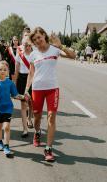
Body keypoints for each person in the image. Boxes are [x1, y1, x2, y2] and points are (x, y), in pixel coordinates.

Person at [25, 27, 75, 162]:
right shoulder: (34, 54)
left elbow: (73, 56)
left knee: (51, 117)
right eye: (35, 40)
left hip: (52, 88)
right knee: (37, 117)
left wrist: (61, 46)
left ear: (44, 36)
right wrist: (26, 89)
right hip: (37, 89)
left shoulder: (55, 49)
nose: (38, 41)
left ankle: (48, 148)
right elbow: (31, 73)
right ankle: (37, 132)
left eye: (39, 37)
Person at [0, 61, 23, 156]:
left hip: (7, 108)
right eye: (0, 69)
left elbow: (15, 95)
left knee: (6, 127)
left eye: (5, 70)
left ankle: (6, 146)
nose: (2, 71)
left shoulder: (10, 83)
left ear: (8, 72)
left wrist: (23, 97)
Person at [14, 41, 33, 138]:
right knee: (23, 104)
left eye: (29, 45)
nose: (28, 47)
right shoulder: (19, 55)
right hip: (22, 79)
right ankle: (25, 129)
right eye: (26, 45)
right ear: (22, 45)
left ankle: (29, 119)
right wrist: (14, 84)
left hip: (32, 80)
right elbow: (16, 71)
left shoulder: (34, 55)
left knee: (31, 102)